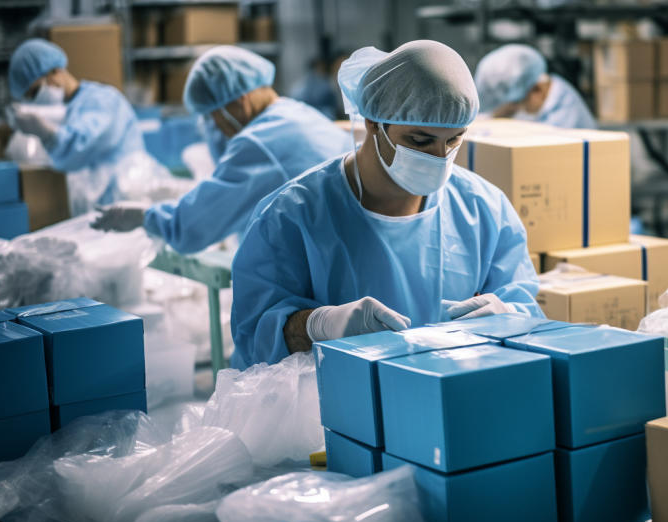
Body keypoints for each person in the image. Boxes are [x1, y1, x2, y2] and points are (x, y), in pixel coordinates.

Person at [231, 40, 543, 369]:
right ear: (373, 123)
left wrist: (510, 318)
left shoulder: (483, 209)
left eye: (453, 140)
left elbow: (526, 312)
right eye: (419, 141)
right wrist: (318, 326)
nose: (439, 158)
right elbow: (253, 334)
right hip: (333, 408)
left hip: (451, 399)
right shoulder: (292, 216)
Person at [92, 46, 352, 254]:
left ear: (240, 101)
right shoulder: (300, 114)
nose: (214, 127)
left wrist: (146, 216)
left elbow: (195, 225)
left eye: (213, 116)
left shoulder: (258, 142)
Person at [8, 38, 145, 212]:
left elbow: (81, 143)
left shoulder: (102, 99)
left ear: (56, 72)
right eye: (30, 96)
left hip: (125, 193)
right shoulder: (74, 106)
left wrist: (47, 133)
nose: (35, 100)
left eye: (36, 91)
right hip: (106, 199)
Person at [474, 44, 596, 129]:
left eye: (516, 104)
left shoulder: (564, 120)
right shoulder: (548, 90)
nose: (514, 110)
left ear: (538, 90)